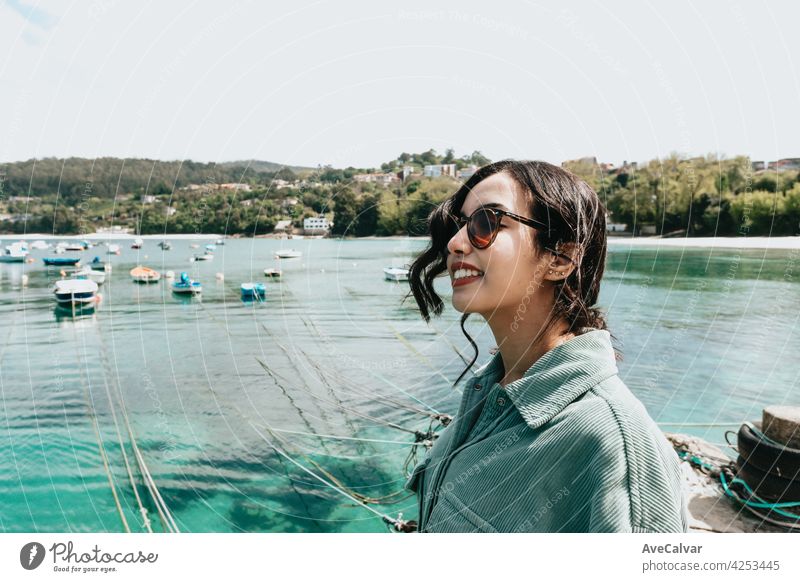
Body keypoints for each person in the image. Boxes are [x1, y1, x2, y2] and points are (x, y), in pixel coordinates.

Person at [405, 160, 688, 532]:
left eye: (486, 223)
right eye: (458, 225)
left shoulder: (613, 444)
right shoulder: (487, 397)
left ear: (559, 259)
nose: (455, 244)